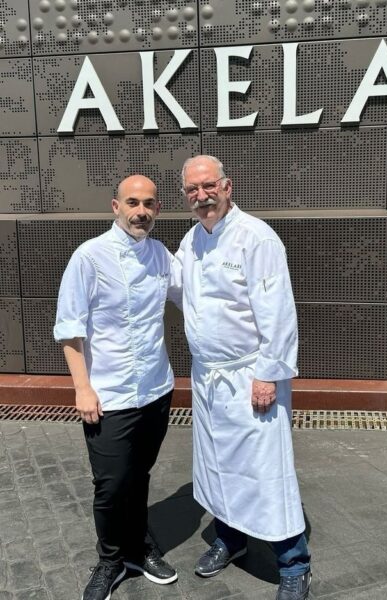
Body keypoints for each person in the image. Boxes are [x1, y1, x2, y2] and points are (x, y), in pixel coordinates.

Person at [175, 155, 311, 600]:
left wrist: (269, 373)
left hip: (251, 374)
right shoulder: (191, 241)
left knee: (264, 469)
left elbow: (278, 312)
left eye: (208, 186)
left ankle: (293, 562)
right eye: (192, 190)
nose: (202, 196)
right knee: (217, 465)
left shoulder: (256, 238)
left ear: (227, 186)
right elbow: (177, 290)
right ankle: (231, 540)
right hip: (208, 376)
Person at [54, 175, 181, 600]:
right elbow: (70, 329)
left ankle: (137, 547)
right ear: (115, 206)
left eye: (148, 203)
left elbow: (197, 296)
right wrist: (81, 388)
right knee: (110, 484)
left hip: (156, 389)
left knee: (138, 475)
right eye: (132, 202)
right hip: (107, 393)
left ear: (157, 209)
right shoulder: (89, 257)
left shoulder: (162, 255)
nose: (140, 210)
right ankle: (110, 559)